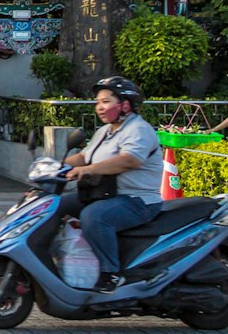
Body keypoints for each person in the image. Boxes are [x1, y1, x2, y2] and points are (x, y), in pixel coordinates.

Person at [62, 75, 164, 292]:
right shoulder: (105, 131)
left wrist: (87, 170)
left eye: (106, 101)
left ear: (125, 105)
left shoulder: (138, 129)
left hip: (138, 200)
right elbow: (84, 157)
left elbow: (129, 160)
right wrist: (55, 166)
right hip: (107, 195)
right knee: (56, 205)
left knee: (95, 216)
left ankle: (111, 274)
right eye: (98, 102)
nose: (99, 107)